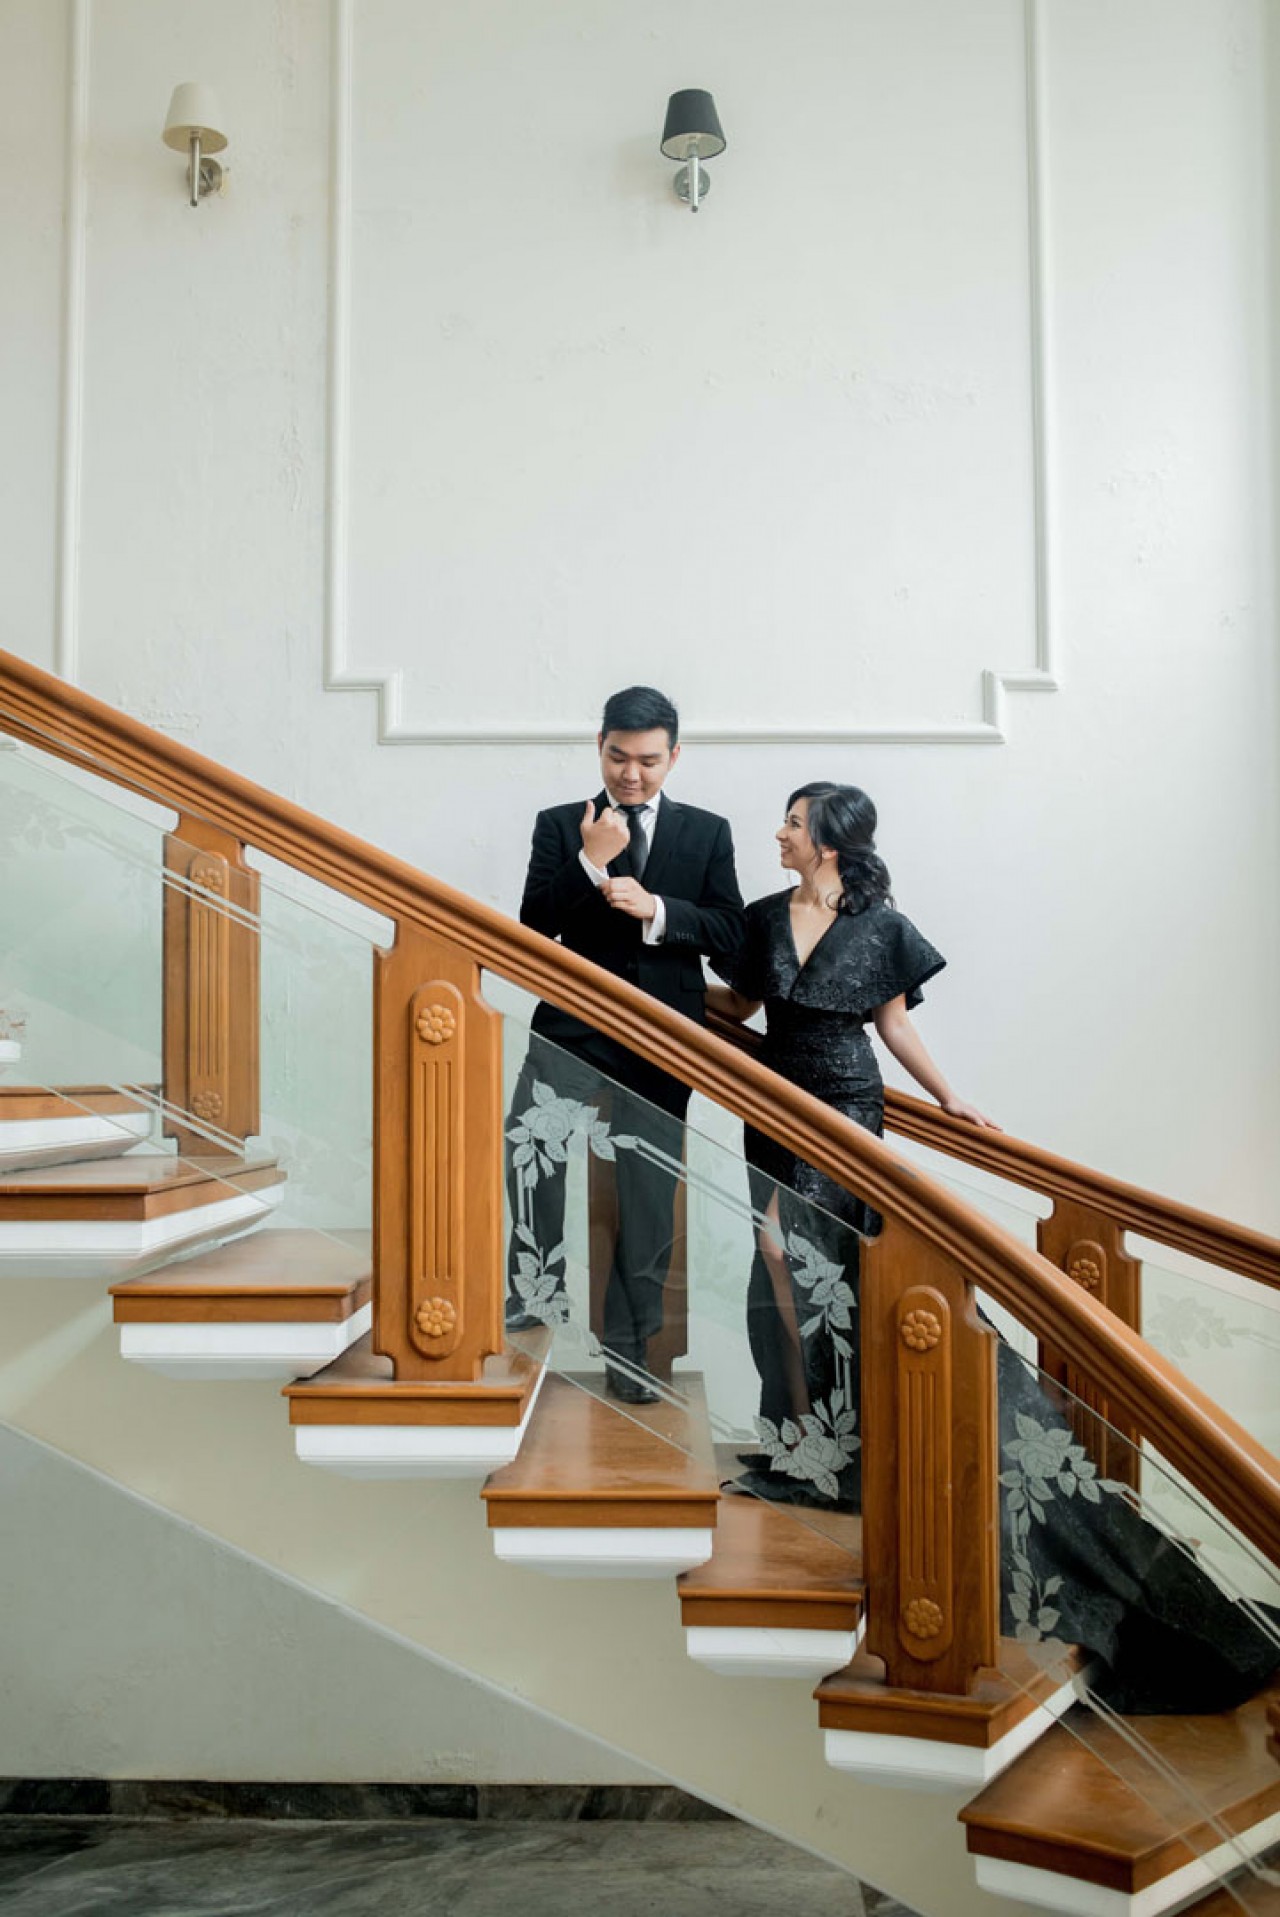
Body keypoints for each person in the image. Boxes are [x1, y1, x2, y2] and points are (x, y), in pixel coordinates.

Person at [711, 781, 1280, 1714]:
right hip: (772, 1107)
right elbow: (738, 1004)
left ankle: (831, 1454)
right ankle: (805, 1446)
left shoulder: (883, 926)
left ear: (830, 840)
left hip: (846, 1105)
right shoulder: (764, 914)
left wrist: (949, 1100)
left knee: (808, 1264)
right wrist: (650, 984)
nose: (778, 831)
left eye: (793, 821)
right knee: (776, 1264)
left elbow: (894, 1025)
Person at [506, 686, 745, 1404]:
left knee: (648, 1192)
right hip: (572, 1028)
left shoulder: (708, 831)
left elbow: (730, 932)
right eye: (618, 757)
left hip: (664, 1036)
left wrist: (659, 910)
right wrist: (590, 862)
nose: (631, 774)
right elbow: (533, 925)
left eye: (647, 760)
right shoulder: (561, 824)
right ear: (599, 747)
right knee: (531, 1151)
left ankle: (630, 1350)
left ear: (674, 756)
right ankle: (533, 1296)